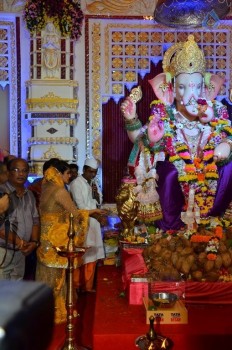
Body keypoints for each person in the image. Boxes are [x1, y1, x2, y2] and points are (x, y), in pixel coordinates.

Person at [120, 35, 232, 234]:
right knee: (169, 171)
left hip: (210, 192)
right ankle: (170, 228)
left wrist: (227, 145)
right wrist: (132, 119)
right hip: (175, 200)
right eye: (182, 87)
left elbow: (227, 134)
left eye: (197, 87)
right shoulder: (163, 115)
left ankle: (216, 222)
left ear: (206, 88)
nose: (191, 94)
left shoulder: (217, 113)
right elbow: (141, 140)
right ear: (170, 88)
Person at [36, 160, 107, 324]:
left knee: (47, 275)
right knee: (58, 277)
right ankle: (59, 312)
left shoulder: (46, 188)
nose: (70, 175)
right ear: (58, 174)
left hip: (46, 240)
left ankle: (45, 311)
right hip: (56, 240)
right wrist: (93, 211)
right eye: (67, 173)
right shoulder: (60, 191)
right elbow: (75, 214)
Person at [70, 158, 107, 292]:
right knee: (83, 255)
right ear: (84, 169)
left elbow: (98, 201)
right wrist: (98, 215)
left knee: (92, 255)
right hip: (83, 223)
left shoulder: (94, 183)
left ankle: (88, 286)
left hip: (94, 222)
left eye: (95, 172)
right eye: (90, 171)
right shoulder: (76, 184)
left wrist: (96, 193)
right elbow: (81, 207)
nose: (92, 174)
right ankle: (77, 286)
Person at [0, 158, 40, 280]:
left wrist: (34, 242)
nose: (21, 174)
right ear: (8, 173)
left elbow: (35, 220)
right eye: (16, 170)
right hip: (3, 251)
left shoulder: (29, 195)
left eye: (24, 171)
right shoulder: (2, 193)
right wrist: (20, 242)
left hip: (21, 252)